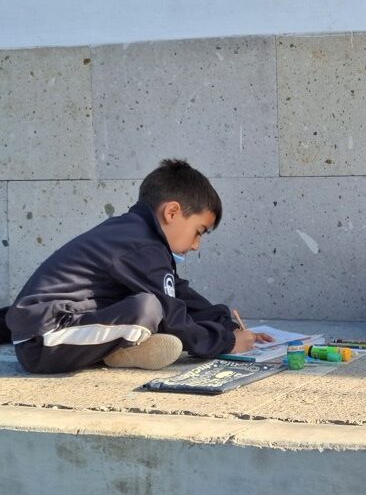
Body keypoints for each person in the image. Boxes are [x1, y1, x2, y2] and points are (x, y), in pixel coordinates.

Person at [1, 158, 271, 373]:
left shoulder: (139, 235)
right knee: (149, 308)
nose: (196, 245)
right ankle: (119, 351)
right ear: (172, 212)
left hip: (61, 326)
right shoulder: (143, 245)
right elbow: (173, 317)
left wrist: (224, 323)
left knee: (154, 304)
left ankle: (122, 350)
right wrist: (228, 342)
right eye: (199, 231)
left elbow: (179, 295)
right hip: (45, 340)